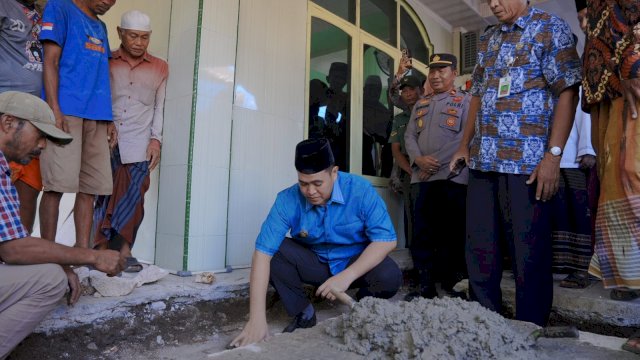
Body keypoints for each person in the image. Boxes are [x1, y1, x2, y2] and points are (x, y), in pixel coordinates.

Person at [450, 0, 581, 326]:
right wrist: (463, 145)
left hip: (526, 164)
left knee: (529, 254)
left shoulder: (550, 28)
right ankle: (485, 325)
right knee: (480, 251)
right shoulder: (487, 38)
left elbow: (567, 90)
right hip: (483, 162)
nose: (493, 4)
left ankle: (529, 329)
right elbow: (477, 94)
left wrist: (553, 156)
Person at [230, 138, 402, 347]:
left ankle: (364, 303)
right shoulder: (287, 199)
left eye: (317, 184)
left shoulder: (360, 191)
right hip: (316, 264)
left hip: (353, 264)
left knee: (390, 276)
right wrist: (256, 319)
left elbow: (386, 241)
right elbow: (261, 254)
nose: (310, 191)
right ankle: (304, 311)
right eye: (304, 183)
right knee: (274, 252)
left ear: (334, 173)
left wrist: (346, 277)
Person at [0, 91, 125, 359]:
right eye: (40, 135)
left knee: (49, 271)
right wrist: (92, 256)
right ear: (8, 123)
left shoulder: (4, 167)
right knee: (50, 281)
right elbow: (13, 250)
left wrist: (60, 260)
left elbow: (14, 242)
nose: (43, 146)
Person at [579, 0, 640, 354]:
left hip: (630, 81)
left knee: (634, 182)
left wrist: (635, 64)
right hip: (607, 91)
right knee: (618, 190)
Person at [93, 10, 168, 273]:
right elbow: (98, 95)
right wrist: (104, 123)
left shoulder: (160, 67)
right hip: (107, 139)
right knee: (103, 194)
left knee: (135, 197)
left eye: (144, 38)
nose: (138, 42)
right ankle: (100, 252)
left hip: (139, 141)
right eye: (133, 36)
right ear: (120, 33)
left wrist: (156, 140)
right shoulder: (106, 60)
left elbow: (160, 108)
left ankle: (126, 253)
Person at [39, 0, 117, 248]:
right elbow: (49, 61)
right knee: (56, 186)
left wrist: (110, 118)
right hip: (66, 113)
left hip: (98, 115)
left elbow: (102, 74)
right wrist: (53, 109)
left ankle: (82, 253)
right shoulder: (59, 8)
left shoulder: (101, 27)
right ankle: (49, 254)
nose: (109, 2)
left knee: (90, 189)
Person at [404, 54, 471, 300]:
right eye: (432, 71)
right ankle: (425, 284)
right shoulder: (421, 104)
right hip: (421, 179)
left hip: (451, 176)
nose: (436, 75)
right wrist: (419, 160)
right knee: (421, 232)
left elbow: (465, 136)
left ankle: (453, 282)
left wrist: (434, 163)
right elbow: (409, 136)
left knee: (451, 232)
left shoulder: (464, 101)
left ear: (454, 73)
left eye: (442, 70)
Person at [550, 3, 598, 290]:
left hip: (575, 162)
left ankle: (582, 270)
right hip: (554, 160)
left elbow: (585, 116)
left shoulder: (579, 78)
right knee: (558, 215)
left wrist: (587, 150)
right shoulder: (551, 82)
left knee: (579, 215)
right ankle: (561, 265)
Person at [0, 0, 45, 233]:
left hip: (36, 116)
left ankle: (18, 254)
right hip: (6, 112)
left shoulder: (45, 12)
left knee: (29, 189)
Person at [388, 75, 421, 254]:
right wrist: (409, 170)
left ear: (420, 90)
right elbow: (396, 150)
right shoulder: (401, 118)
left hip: (432, 169)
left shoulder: (428, 109)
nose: (408, 94)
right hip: (410, 171)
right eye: (404, 91)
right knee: (411, 219)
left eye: (411, 90)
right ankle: (414, 265)